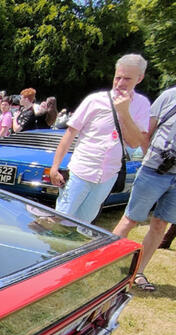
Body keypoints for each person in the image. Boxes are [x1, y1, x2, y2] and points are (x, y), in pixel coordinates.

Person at [50, 54, 150, 224]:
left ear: (139, 78)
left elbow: (134, 142)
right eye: (117, 77)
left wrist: (124, 113)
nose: (120, 83)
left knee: (84, 224)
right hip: (80, 170)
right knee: (60, 220)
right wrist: (55, 167)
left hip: (108, 175)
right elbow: (69, 134)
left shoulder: (142, 104)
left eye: (127, 79)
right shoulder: (95, 100)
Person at [111, 83, 176, 291]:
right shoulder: (169, 97)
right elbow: (147, 132)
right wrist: (152, 157)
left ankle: (137, 272)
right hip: (154, 170)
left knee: (160, 225)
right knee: (130, 219)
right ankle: (104, 266)